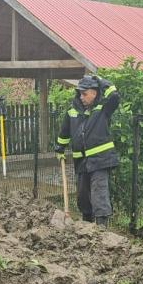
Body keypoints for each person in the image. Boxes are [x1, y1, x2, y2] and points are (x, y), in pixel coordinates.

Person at [54, 75, 120, 225]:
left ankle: (101, 226)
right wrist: (60, 148)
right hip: (81, 161)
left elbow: (114, 95)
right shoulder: (72, 112)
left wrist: (101, 80)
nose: (81, 97)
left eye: (85, 93)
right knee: (83, 196)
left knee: (99, 192)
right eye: (80, 93)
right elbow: (64, 133)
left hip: (101, 160)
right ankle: (87, 224)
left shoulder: (103, 109)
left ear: (95, 93)